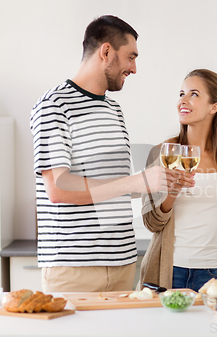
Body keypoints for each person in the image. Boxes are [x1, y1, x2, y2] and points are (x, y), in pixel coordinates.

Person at [30, 15, 194, 293]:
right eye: (131, 57)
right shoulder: (54, 105)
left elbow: (111, 187)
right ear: (106, 52)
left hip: (122, 262)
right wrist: (139, 181)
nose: (134, 68)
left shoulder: (113, 110)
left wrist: (160, 183)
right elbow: (58, 189)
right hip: (73, 268)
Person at [139, 69, 217, 292]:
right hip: (169, 270)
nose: (183, 100)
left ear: (214, 107)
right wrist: (172, 192)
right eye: (181, 93)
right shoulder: (162, 154)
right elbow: (151, 223)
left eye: (194, 94)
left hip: (215, 273)